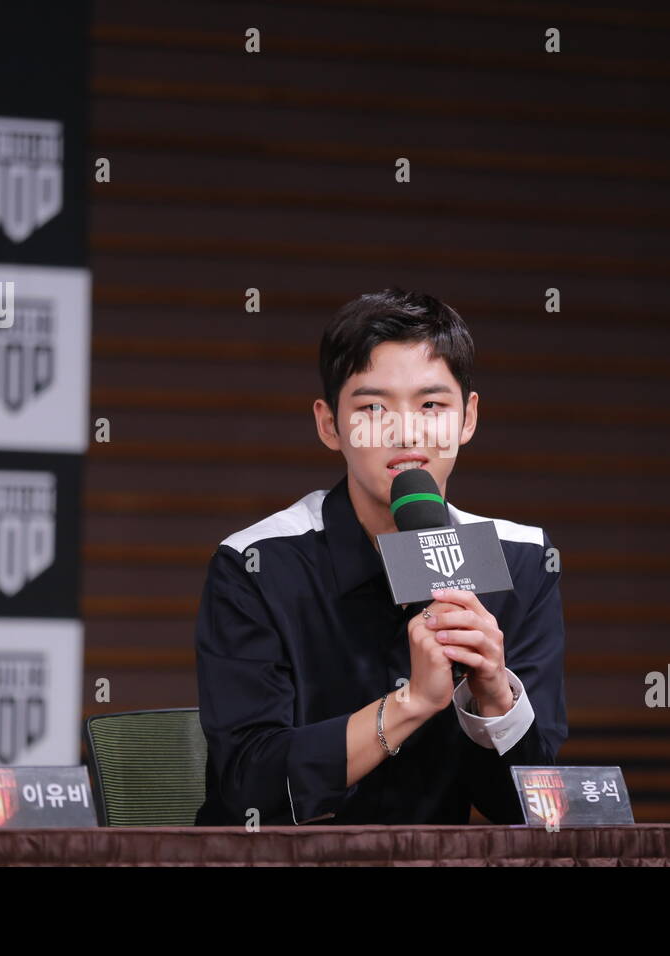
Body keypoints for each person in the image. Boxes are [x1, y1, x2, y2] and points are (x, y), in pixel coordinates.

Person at [194, 287, 568, 825]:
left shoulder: (522, 561)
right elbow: (249, 789)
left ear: (468, 418)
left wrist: (494, 698)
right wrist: (411, 704)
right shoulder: (256, 564)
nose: (406, 430)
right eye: (373, 407)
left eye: (432, 405)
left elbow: (535, 813)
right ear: (330, 425)